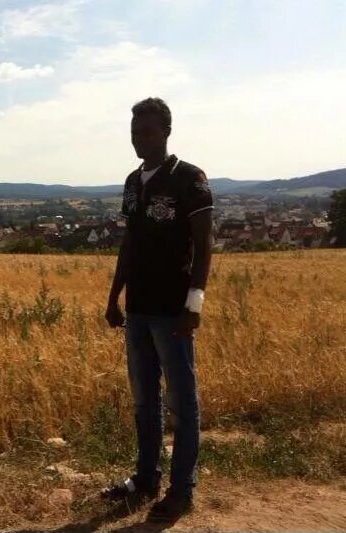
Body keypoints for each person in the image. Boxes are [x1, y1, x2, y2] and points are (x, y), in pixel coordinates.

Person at [100, 97, 213, 523]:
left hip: (173, 310)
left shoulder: (190, 178)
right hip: (139, 309)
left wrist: (195, 302)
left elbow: (204, 244)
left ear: (166, 131)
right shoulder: (133, 182)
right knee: (144, 400)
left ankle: (181, 489)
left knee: (182, 403)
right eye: (134, 131)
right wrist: (114, 297)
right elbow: (129, 243)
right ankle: (145, 479)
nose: (139, 138)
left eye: (147, 131)